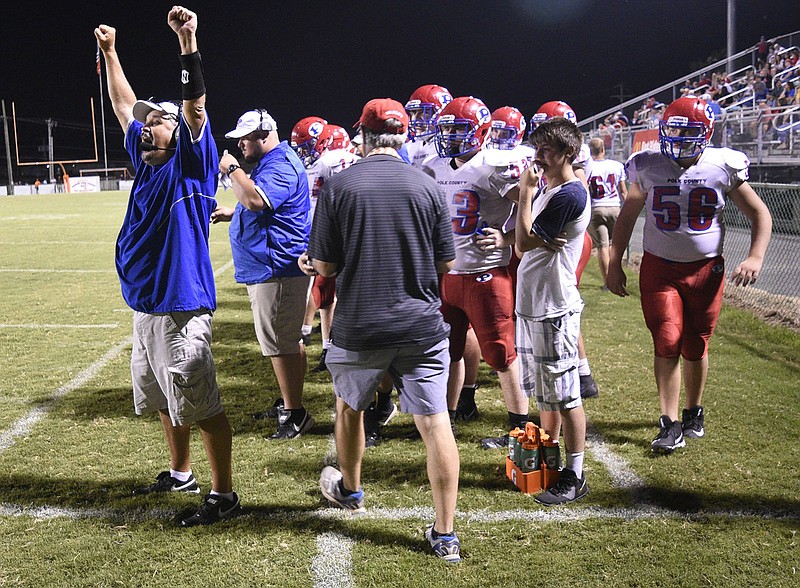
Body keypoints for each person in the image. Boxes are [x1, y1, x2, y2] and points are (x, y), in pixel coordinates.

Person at [94, 6, 239, 526]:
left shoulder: (189, 164)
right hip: (148, 306)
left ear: (178, 134)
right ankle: (182, 472)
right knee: (162, 395)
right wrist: (111, 53)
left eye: (160, 120)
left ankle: (223, 495)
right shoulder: (146, 159)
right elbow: (122, 103)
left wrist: (187, 41)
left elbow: (195, 105)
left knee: (201, 404)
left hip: (180, 306)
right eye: (149, 121)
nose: (148, 123)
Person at [309, 98, 461, 562]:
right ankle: (446, 532)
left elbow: (326, 265)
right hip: (420, 324)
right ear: (405, 135)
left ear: (365, 135)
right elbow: (446, 262)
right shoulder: (429, 185)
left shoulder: (339, 186)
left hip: (360, 323)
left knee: (350, 409)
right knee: (435, 423)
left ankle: (352, 490)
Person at [607, 96, 772, 454]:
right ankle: (669, 423)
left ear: (707, 133)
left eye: (689, 132)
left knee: (695, 344)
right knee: (667, 340)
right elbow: (627, 215)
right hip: (659, 267)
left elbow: (760, 213)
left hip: (706, 270)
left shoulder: (722, 166)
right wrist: (613, 260)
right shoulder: (647, 165)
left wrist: (755, 257)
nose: (679, 139)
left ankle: (693, 410)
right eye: (674, 130)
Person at [422, 96, 529, 448]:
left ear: (480, 131)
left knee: (501, 355)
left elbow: (537, 205)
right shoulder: (433, 165)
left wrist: (508, 235)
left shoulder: (493, 168)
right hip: (447, 277)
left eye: (459, 128)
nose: (451, 135)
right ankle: (447, 419)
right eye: (447, 127)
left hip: (485, 276)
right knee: (446, 351)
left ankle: (519, 429)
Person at [213, 109, 314, 440]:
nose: (240, 144)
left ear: (265, 134)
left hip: (278, 267)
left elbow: (258, 199)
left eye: (246, 137)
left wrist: (232, 170)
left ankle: (295, 413)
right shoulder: (274, 163)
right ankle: (289, 403)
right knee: (284, 340)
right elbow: (261, 203)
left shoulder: (281, 163)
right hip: (270, 265)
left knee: (279, 342)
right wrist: (234, 211)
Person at [515, 116, 591, 505]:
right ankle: (551, 459)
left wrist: (525, 195)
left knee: (565, 395)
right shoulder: (553, 188)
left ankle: (575, 475)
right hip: (534, 304)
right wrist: (518, 193)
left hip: (553, 306)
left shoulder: (570, 194)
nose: (538, 157)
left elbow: (523, 244)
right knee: (546, 396)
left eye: (546, 150)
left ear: (568, 153)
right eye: (537, 148)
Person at [585, 137, 627, 286]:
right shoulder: (616, 166)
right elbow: (623, 191)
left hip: (596, 208)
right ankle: (616, 277)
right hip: (614, 207)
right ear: (603, 149)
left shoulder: (587, 168)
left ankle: (608, 282)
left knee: (602, 246)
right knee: (612, 244)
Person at [405, 84, 453, 168]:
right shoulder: (410, 145)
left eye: (424, 112)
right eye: (413, 112)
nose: (415, 118)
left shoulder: (451, 145)